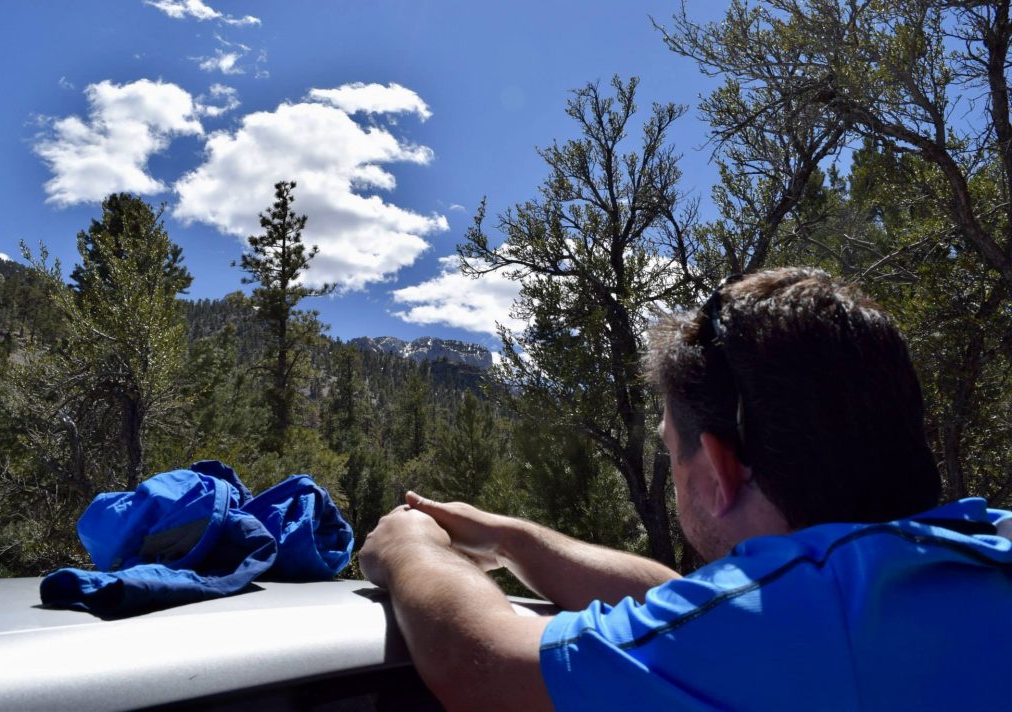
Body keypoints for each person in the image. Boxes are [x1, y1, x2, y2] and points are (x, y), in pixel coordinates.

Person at [359, 267, 1012, 712]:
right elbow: (677, 599)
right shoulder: (962, 555)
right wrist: (512, 540)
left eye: (673, 452)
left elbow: (485, 668)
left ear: (722, 469)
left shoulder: (824, 614)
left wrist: (412, 548)